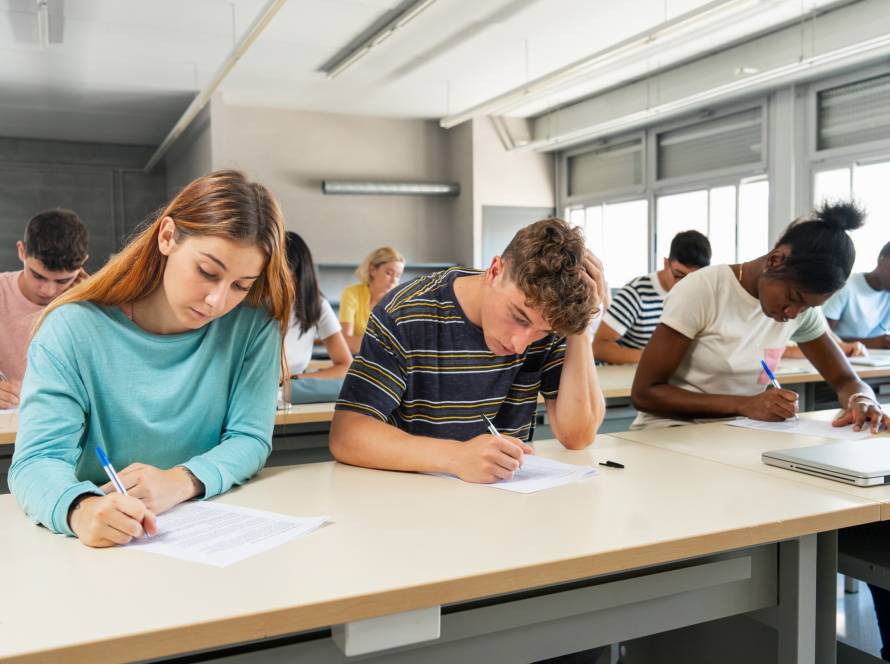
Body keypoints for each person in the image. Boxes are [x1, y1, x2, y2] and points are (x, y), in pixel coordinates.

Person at [9, 170, 294, 547]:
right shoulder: (71, 328)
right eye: (207, 272)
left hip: (209, 535)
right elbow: (37, 460)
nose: (217, 301)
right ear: (167, 237)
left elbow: (250, 438)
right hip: (107, 546)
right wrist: (81, 508)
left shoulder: (254, 324)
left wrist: (181, 481)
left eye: (241, 285)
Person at [330, 217, 606, 484]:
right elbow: (347, 435)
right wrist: (457, 457)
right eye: (518, 317)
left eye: (541, 332)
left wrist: (580, 327)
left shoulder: (553, 316)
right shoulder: (405, 311)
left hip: (506, 497)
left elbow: (578, 435)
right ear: (495, 271)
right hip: (413, 494)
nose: (520, 344)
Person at [631, 202, 888, 433]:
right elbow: (645, 393)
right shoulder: (704, 289)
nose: (793, 314)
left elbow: (845, 380)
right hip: (671, 430)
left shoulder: (802, 311)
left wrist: (862, 399)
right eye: (793, 298)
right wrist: (744, 404)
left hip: (739, 431)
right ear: (775, 260)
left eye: (807, 307)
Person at [0, 208, 88, 408]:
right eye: (38, 276)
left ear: (82, 264)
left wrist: (95, 306)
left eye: (62, 281)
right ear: (21, 251)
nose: (48, 291)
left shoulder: (89, 305)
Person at [594, 230, 711, 365]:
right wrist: (656, 357)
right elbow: (598, 348)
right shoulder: (636, 294)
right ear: (666, 263)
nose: (684, 285)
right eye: (679, 275)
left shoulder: (698, 295)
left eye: (692, 279)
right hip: (631, 373)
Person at [283, 232, 352, 404]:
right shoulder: (252, 304)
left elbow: (345, 365)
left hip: (287, 395)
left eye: (285, 275)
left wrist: (297, 379)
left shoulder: (316, 305)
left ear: (299, 274)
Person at [822, 240, 890, 350]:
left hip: (878, 357)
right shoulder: (846, 287)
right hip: (844, 354)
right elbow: (821, 337)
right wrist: (872, 343)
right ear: (881, 259)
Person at [339, 246, 404, 353]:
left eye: (398, 275)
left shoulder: (399, 301)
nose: (394, 280)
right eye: (389, 273)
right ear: (372, 270)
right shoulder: (351, 293)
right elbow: (345, 340)